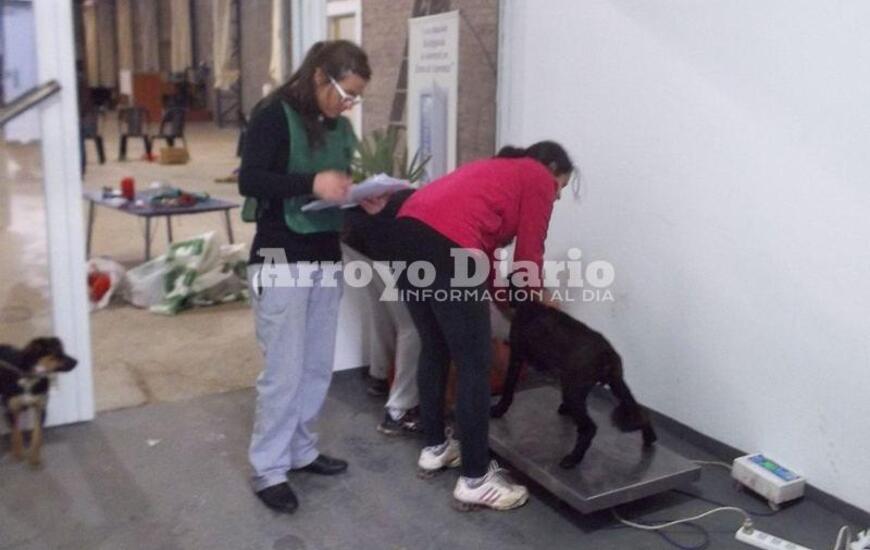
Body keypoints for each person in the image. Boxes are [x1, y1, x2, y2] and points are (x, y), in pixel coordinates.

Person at [238, 40, 387, 514]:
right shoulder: (273, 114)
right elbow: (250, 180)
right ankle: (269, 470)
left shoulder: (339, 127)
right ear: (321, 75)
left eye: (355, 98)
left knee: (316, 364)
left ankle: (301, 451)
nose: (348, 104)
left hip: (324, 251)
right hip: (281, 252)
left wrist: (360, 196)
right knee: (283, 370)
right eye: (345, 93)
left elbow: (341, 183)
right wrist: (310, 183)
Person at [391, 142, 575, 511]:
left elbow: (488, 259)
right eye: (559, 189)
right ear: (549, 168)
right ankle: (475, 480)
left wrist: (506, 302)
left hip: (405, 236)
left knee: (435, 347)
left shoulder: (493, 177)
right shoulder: (535, 175)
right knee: (475, 363)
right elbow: (529, 255)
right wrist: (545, 304)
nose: (554, 199)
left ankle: (435, 449)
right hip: (447, 248)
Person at [343, 189, 422, 435]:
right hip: (382, 241)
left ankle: (379, 377)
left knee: (382, 310)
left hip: (353, 237)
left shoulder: (460, 185)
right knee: (414, 327)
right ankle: (398, 411)